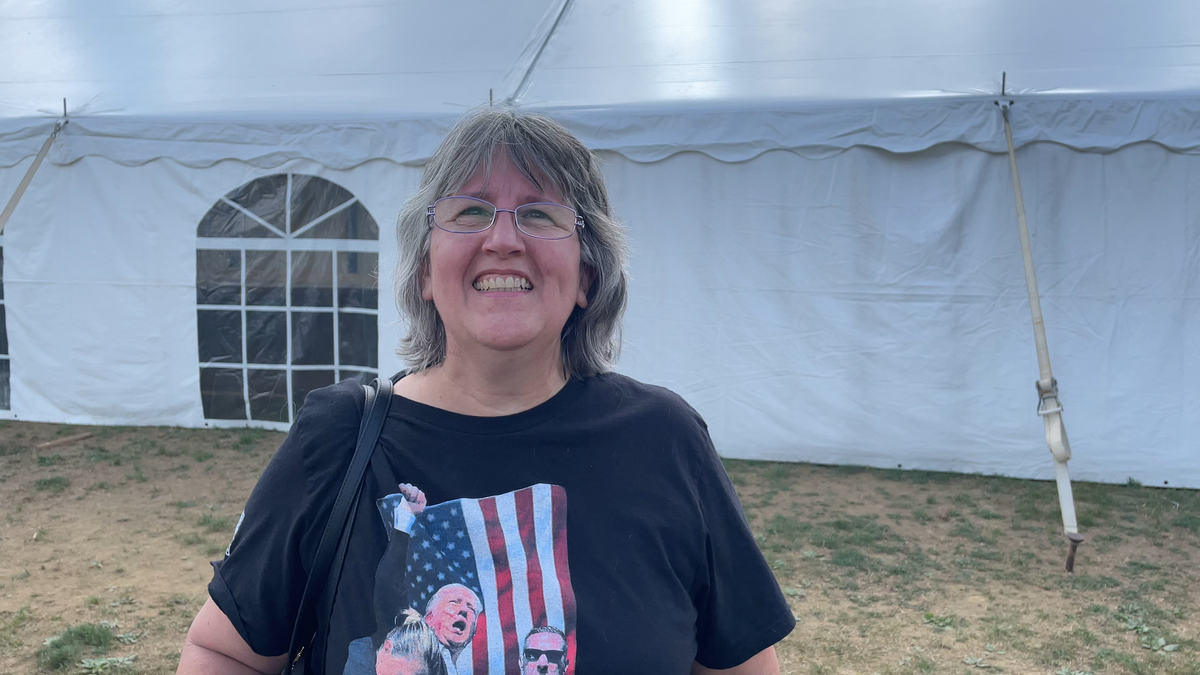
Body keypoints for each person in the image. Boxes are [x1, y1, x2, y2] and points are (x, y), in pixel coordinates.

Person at [177, 106, 794, 674]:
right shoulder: (342, 436)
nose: (503, 239)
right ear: (424, 270)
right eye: (468, 211)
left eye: (540, 214)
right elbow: (224, 651)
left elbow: (739, 665)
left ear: (587, 274)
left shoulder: (663, 440)